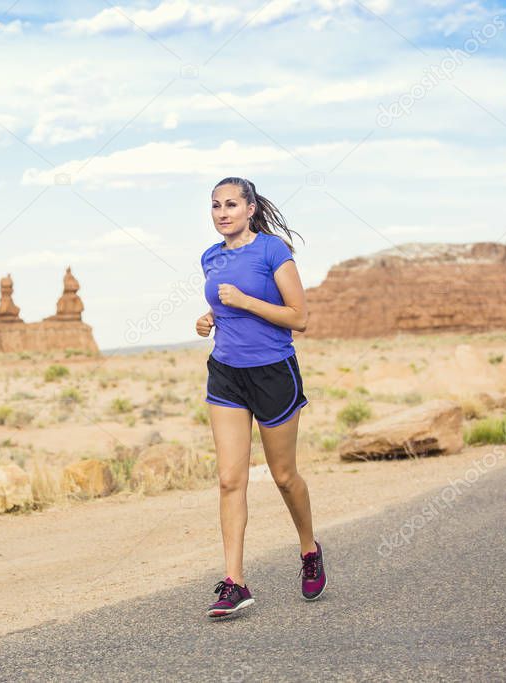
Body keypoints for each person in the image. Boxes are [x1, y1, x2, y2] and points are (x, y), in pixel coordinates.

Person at [196, 176, 327, 618]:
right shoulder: (210, 257)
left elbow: (299, 317)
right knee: (230, 479)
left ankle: (309, 549)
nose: (222, 212)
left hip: (273, 373)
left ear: (250, 208)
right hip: (227, 376)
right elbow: (224, 303)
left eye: (231, 204)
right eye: (215, 205)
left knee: (284, 475)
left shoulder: (273, 250)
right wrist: (210, 317)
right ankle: (235, 582)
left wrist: (246, 302)